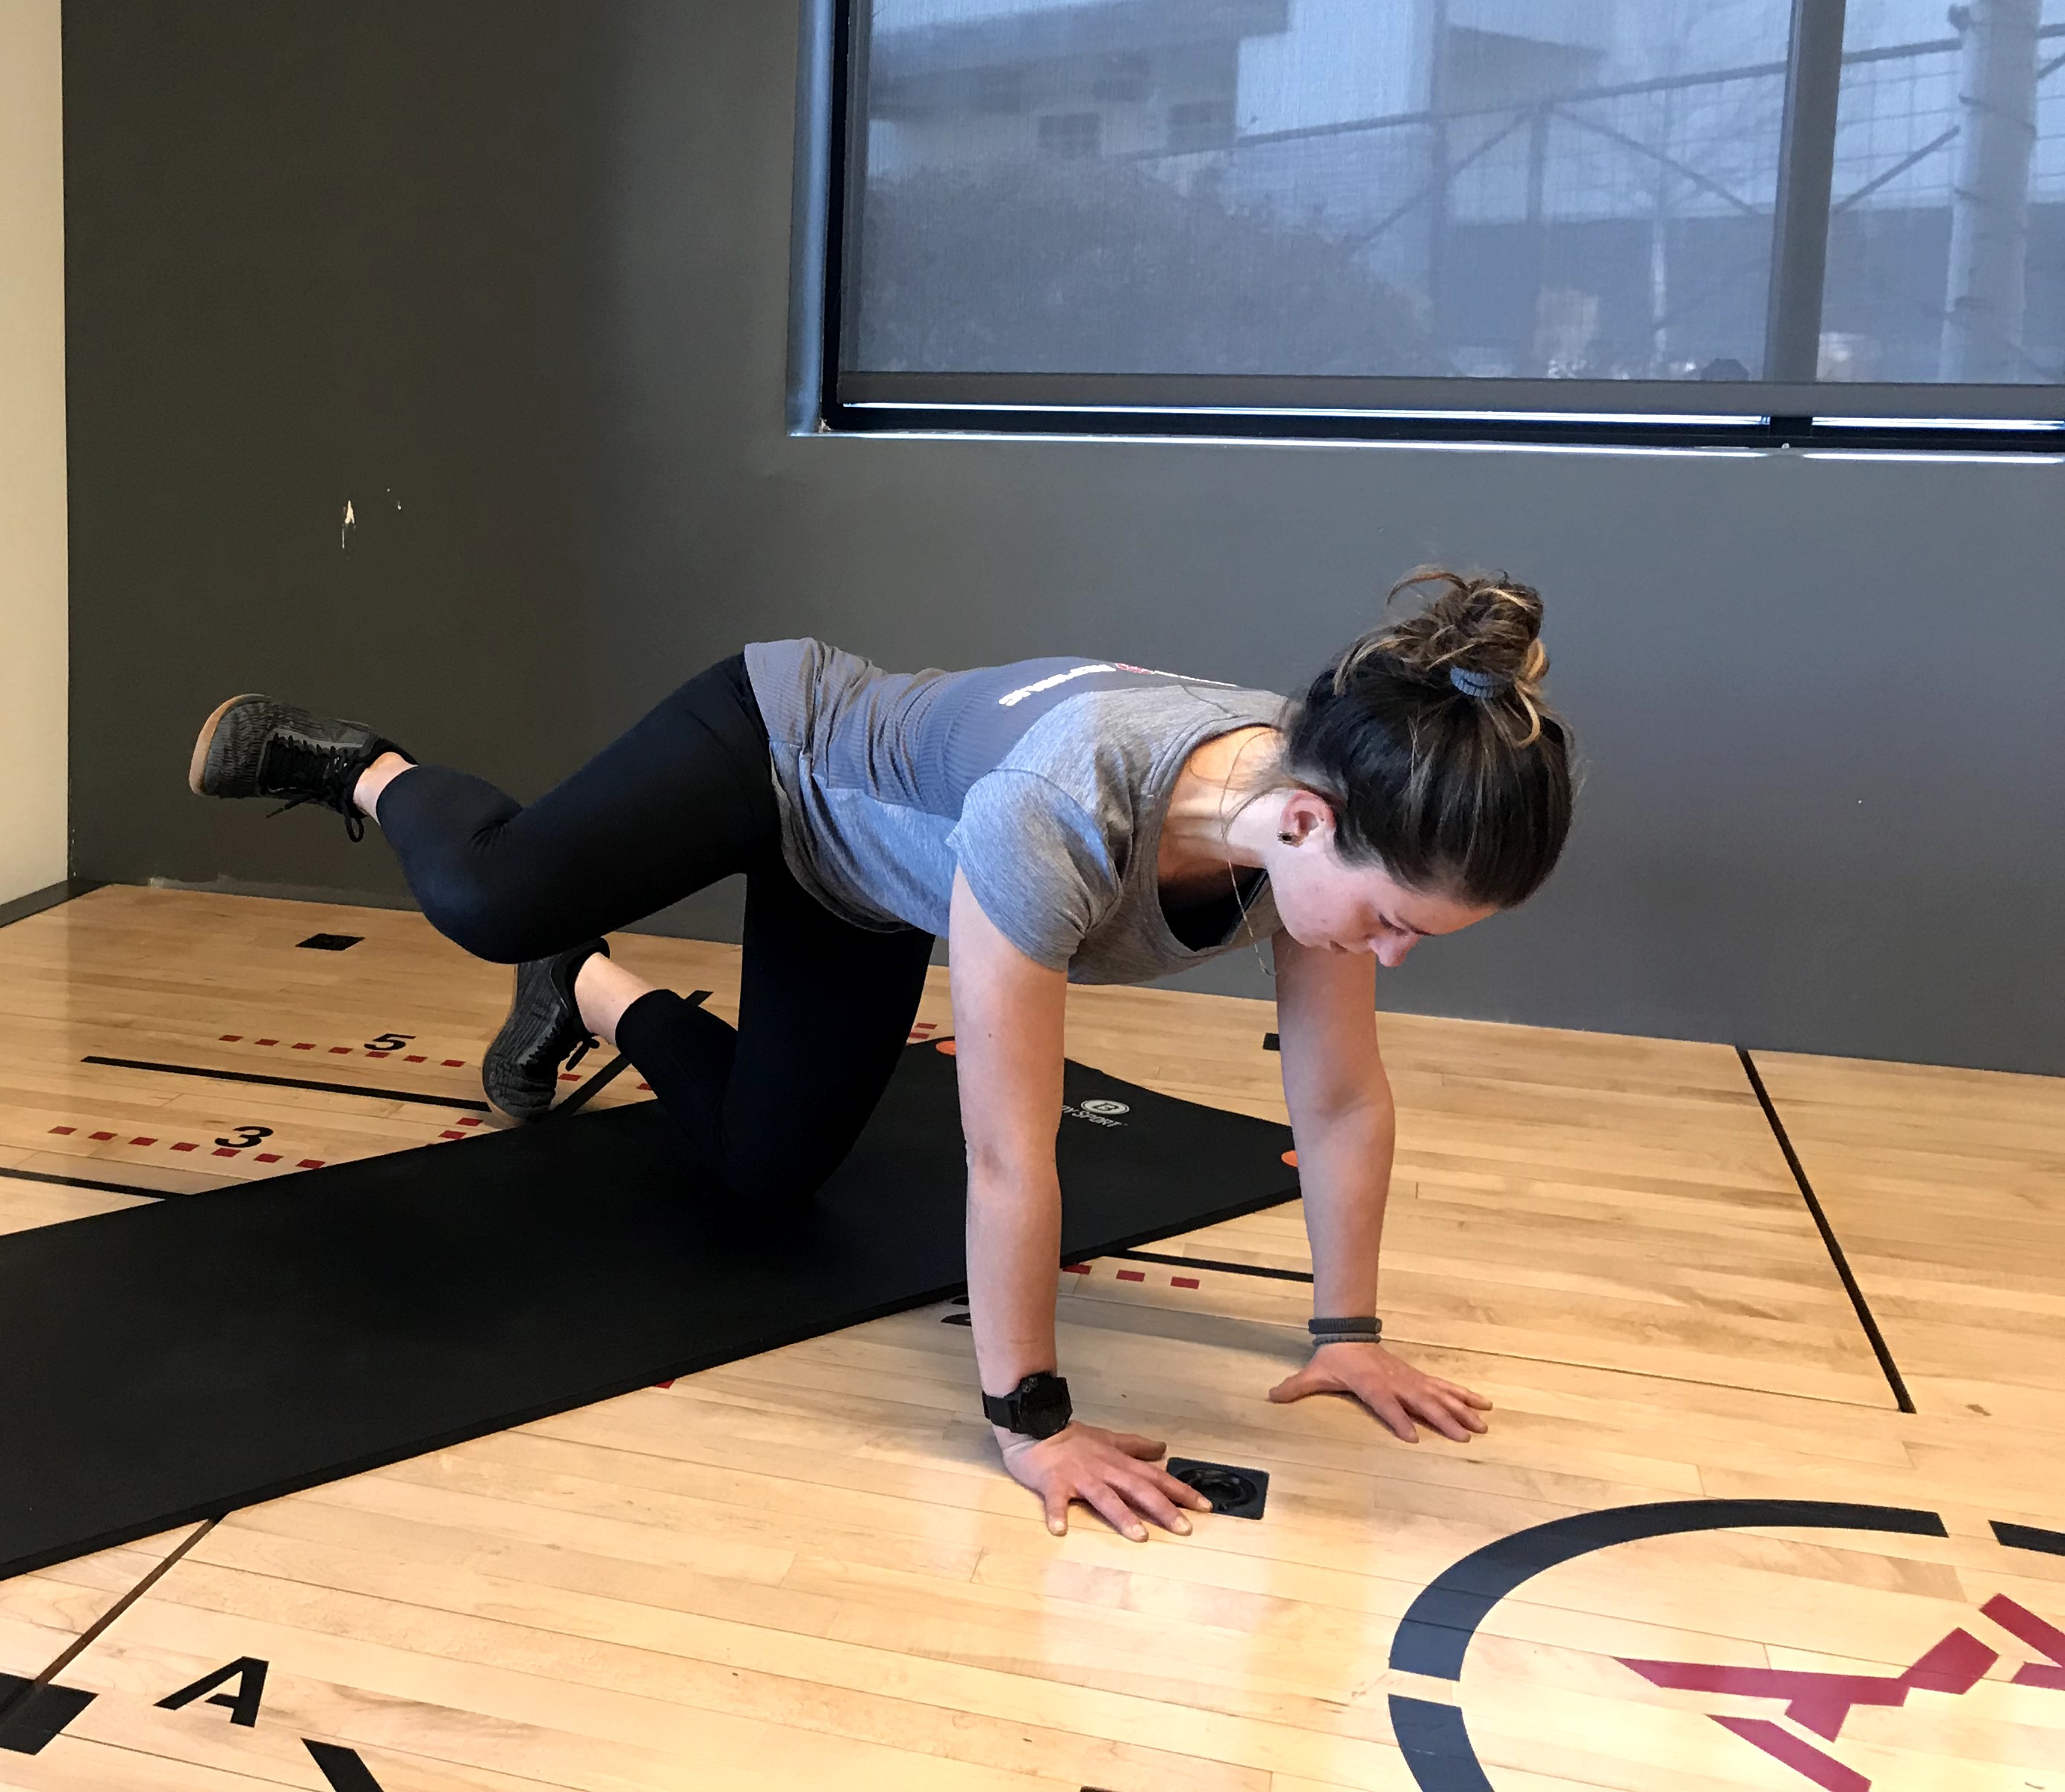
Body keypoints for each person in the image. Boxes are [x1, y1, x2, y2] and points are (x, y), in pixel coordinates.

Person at [184, 570, 1573, 1542]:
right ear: (1311, 823)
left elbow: (1334, 1098)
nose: (1393, 954)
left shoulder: (1326, 806)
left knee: (762, 1172)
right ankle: (361, 764)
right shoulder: (1066, 809)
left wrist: (1350, 1335)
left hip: (865, 877)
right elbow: (1005, 1152)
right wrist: (1031, 1423)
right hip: (777, 744)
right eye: (1395, 922)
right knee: (493, 900)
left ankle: (586, 985)